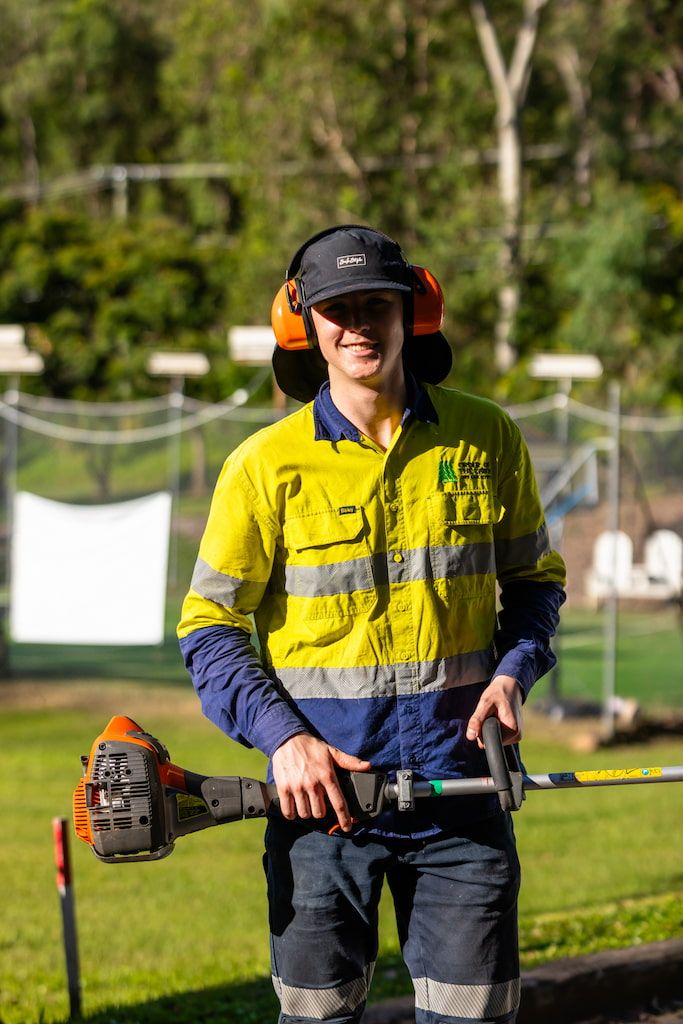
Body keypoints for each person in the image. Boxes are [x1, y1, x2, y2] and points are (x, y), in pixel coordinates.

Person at [178, 224, 566, 1024]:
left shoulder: (485, 436)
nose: (357, 324)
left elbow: (533, 584)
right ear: (305, 326)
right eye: (336, 308)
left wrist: (510, 672)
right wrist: (285, 741)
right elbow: (208, 627)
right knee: (318, 1015)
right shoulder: (262, 467)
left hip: (462, 796)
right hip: (321, 810)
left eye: (375, 304)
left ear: (409, 313)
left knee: (475, 1013)